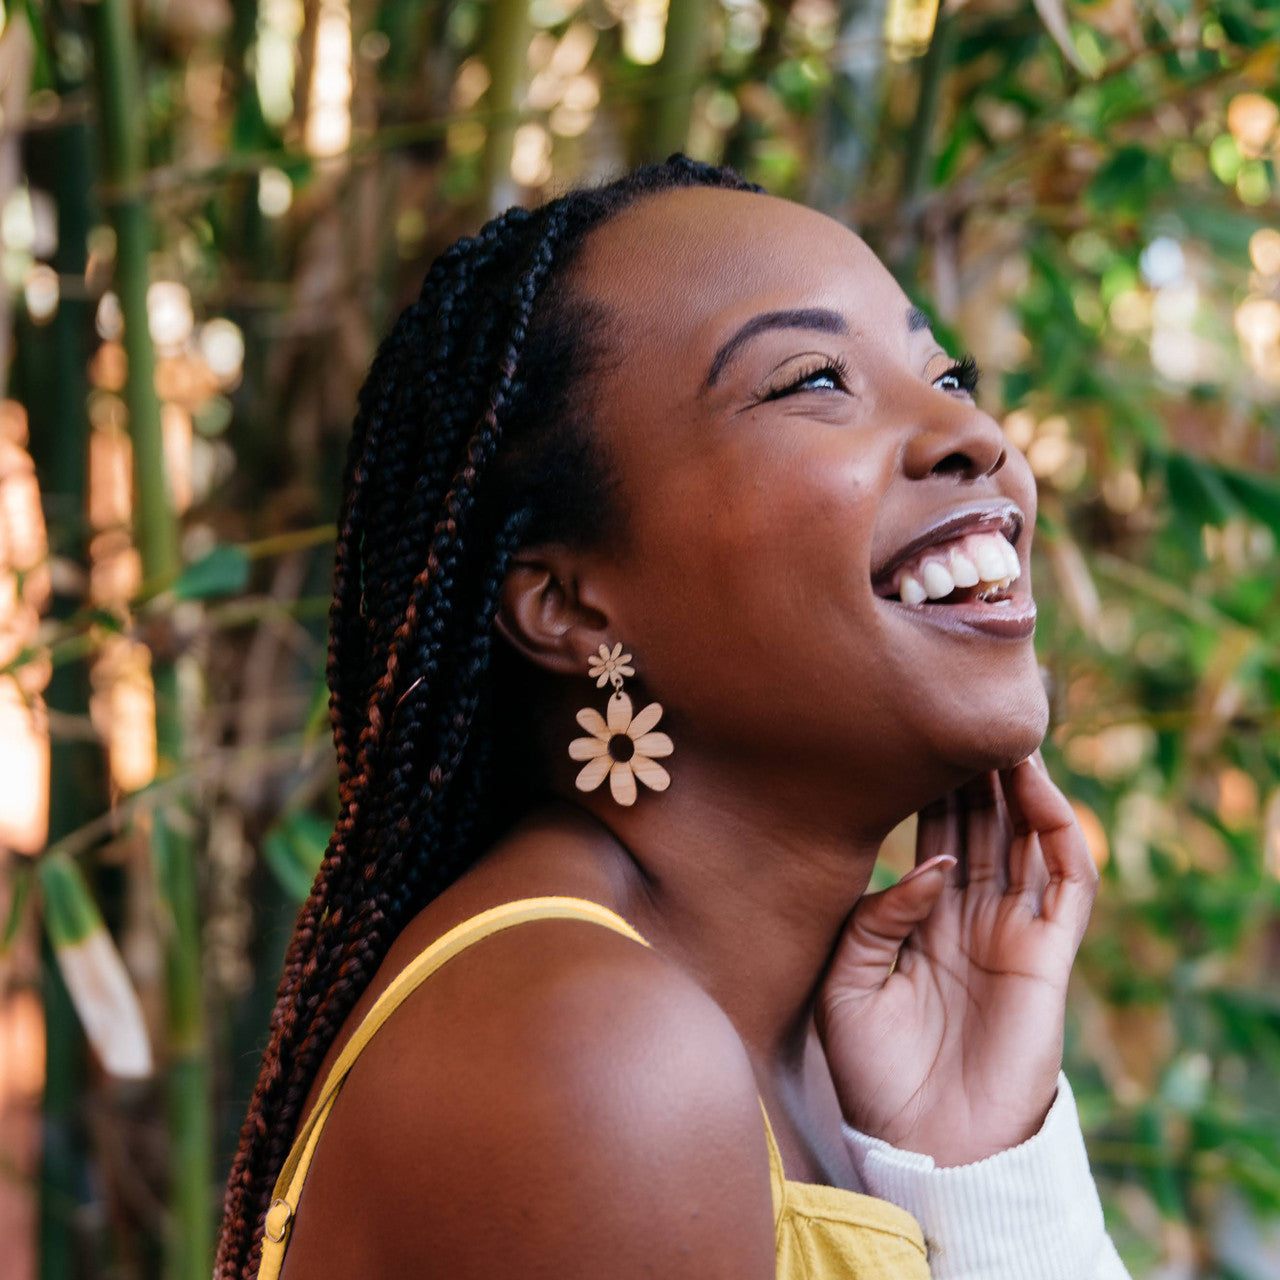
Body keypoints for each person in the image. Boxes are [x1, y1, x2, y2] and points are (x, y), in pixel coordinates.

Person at [215, 156, 1131, 1280]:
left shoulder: (798, 1048)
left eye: (947, 371)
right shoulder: (588, 1055)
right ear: (565, 602)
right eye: (809, 380)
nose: (968, 432)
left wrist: (986, 1169)